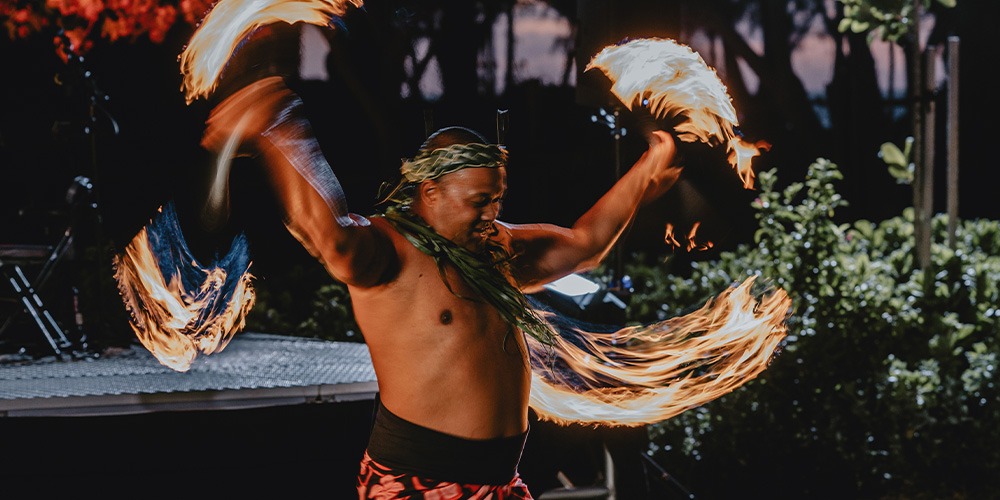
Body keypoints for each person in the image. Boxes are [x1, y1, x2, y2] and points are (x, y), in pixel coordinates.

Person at [197, 70, 681, 497]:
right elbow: (329, 236)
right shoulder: (389, 250)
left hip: (501, 483)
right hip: (418, 482)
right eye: (479, 201)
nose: (492, 213)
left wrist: (645, 169)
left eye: (497, 198)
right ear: (430, 192)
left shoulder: (498, 249)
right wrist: (282, 130)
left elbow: (584, 244)